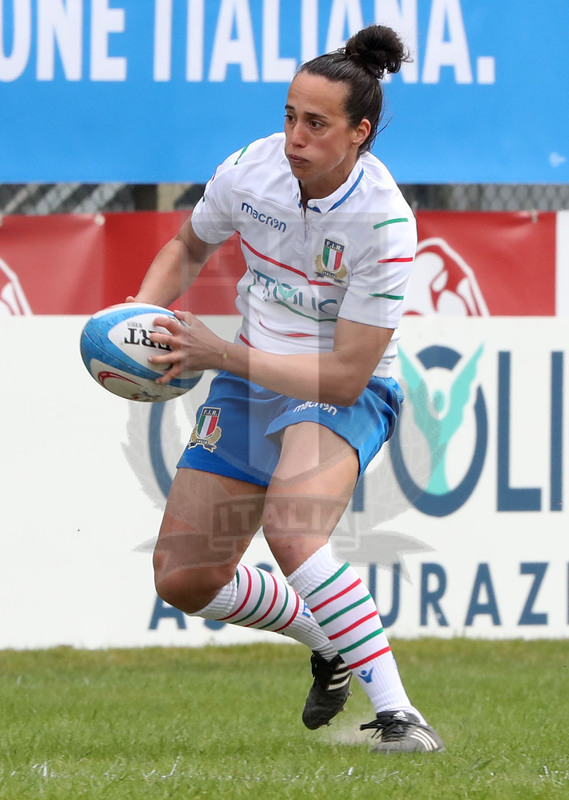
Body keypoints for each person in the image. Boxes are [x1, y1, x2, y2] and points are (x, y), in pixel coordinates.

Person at [129, 24, 443, 753]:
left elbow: (348, 373)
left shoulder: (384, 221)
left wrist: (219, 353)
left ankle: (401, 717)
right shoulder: (250, 169)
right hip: (250, 372)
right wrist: (136, 321)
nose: (294, 137)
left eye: (316, 124)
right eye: (289, 116)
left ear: (360, 133)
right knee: (183, 579)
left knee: (294, 529)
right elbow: (187, 246)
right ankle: (328, 637)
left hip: (340, 386)